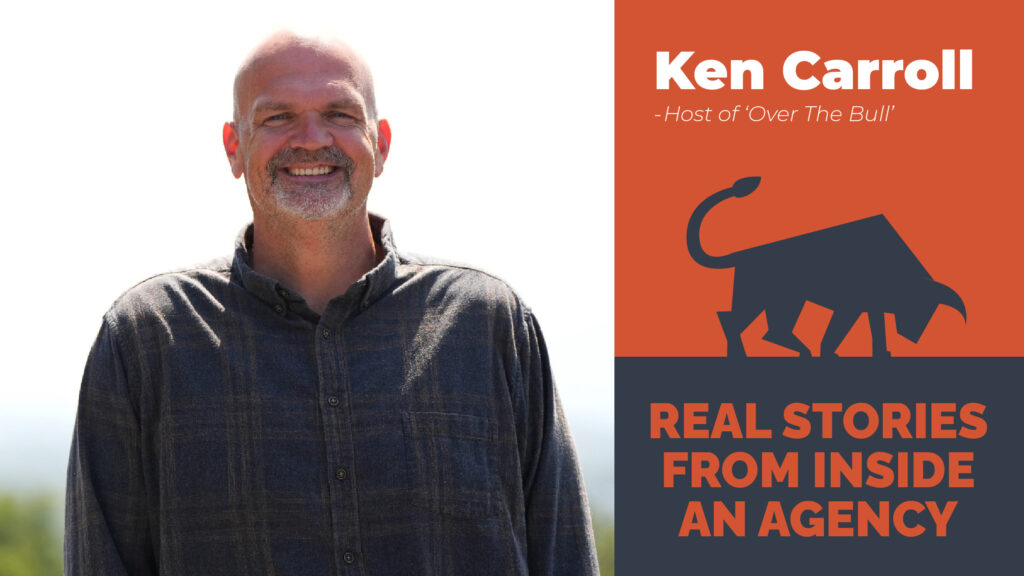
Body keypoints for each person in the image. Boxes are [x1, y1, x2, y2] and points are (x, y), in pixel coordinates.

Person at [65, 32, 598, 575]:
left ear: (381, 144)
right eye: (278, 117)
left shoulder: (488, 325)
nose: (312, 138)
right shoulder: (146, 339)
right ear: (234, 147)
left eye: (340, 113)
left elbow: (565, 559)